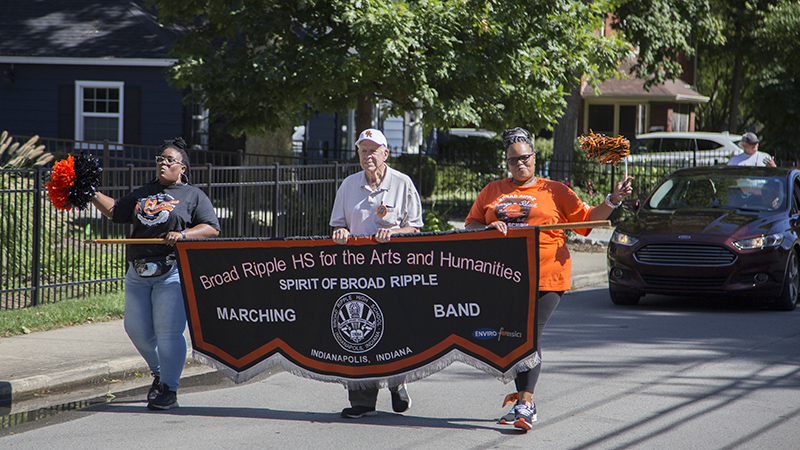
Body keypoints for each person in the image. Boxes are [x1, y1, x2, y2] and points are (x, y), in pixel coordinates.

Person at [465, 127, 633, 431]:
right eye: (513, 160)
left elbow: (585, 224)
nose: (520, 164)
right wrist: (489, 229)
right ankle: (520, 401)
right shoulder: (493, 190)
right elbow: (472, 224)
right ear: (507, 161)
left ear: (534, 156)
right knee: (514, 335)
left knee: (529, 334)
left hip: (547, 274)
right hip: (505, 277)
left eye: (525, 157)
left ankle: (526, 404)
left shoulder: (553, 190)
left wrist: (613, 199)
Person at [91, 137, 220, 410]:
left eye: (170, 160)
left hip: (172, 271)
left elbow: (211, 228)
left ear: (182, 167)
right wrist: (90, 192)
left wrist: (184, 234)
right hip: (137, 272)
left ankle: (168, 390)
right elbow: (115, 211)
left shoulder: (193, 195)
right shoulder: (142, 192)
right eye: (160, 159)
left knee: (168, 332)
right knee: (135, 329)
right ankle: (161, 372)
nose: (163, 164)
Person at [329, 128, 423, 418]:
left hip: (392, 271)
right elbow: (337, 226)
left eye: (373, 150)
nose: (368, 155)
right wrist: (341, 232)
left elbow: (415, 229)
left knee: (393, 329)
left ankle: (397, 383)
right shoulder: (348, 185)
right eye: (363, 150)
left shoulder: (402, 183)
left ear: (386, 153)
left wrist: (394, 232)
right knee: (358, 330)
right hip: (356, 271)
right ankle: (362, 400)